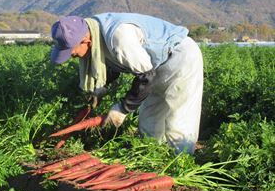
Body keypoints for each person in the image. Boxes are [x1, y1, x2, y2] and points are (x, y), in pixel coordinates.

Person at [50, 12, 203, 153]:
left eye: (71, 51)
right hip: (156, 64)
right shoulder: (95, 31)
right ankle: (154, 161)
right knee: (149, 121)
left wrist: (122, 109)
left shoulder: (119, 37)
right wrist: (100, 88)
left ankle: (179, 163)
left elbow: (146, 76)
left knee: (179, 118)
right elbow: (117, 63)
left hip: (180, 57)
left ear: (86, 40)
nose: (72, 56)